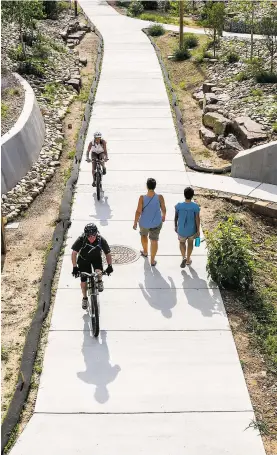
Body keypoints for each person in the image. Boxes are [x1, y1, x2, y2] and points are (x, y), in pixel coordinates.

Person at [71, 223, 113, 309]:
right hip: (83, 260)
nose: (91, 238)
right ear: (86, 235)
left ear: (96, 233)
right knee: (83, 282)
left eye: (93, 235)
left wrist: (109, 266)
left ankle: (100, 281)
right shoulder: (81, 239)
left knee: (99, 272)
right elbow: (74, 253)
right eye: (89, 236)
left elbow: (108, 253)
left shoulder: (101, 240)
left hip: (96, 259)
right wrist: (75, 267)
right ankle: (85, 298)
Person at [133, 178, 166, 267]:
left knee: (144, 236)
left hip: (144, 223)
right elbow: (163, 208)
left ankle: (145, 251)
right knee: (154, 240)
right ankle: (152, 261)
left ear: (147, 186)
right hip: (156, 223)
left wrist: (135, 222)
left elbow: (138, 211)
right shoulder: (160, 197)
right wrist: (163, 216)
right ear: (155, 186)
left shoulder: (142, 198)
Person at [174, 186, 200, 268]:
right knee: (190, 243)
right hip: (191, 230)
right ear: (192, 196)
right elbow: (197, 219)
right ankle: (188, 260)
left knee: (182, 243)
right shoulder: (195, 206)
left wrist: (175, 226)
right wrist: (198, 230)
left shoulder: (179, 206)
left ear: (184, 195)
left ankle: (183, 257)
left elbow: (176, 217)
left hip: (181, 229)